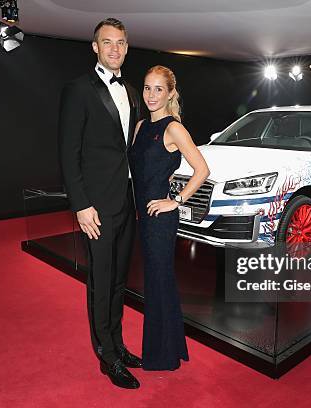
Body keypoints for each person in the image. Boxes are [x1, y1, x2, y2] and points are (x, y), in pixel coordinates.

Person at [58, 18, 143, 389]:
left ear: (126, 46)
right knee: (101, 280)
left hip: (128, 200)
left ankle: (118, 344)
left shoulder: (133, 90)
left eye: (120, 43)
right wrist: (81, 205)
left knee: (119, 280)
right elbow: (67, 153)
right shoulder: (78, 89)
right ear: (95, 46)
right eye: (106, 42)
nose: (114, 49)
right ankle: (106, 355)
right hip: (96, 206)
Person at [128, 66, 210, 371]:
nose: (151, 95)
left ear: (170, 93)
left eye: (158, 89)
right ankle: (171, 347)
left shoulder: (174, 129)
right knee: (158, 281)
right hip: (142, 215)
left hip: (160, 219)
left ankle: (161, 356)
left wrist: (174, 200)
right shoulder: (139, 127)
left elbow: (202, 170)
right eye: (147, 88)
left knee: (159, 281)